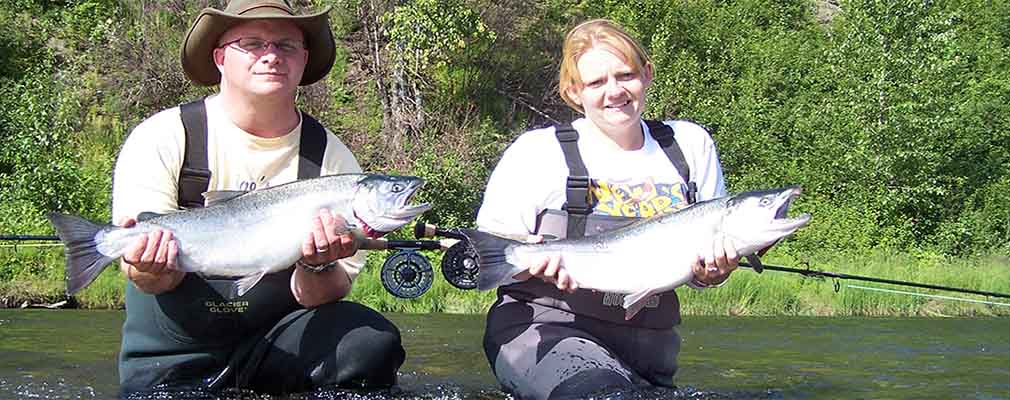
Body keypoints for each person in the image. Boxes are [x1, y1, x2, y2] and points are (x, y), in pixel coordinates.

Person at [108, 0, 404, 396]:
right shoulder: (163, 136)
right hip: (172, 358)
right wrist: (152, 264)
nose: (271, 56)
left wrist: (317, 266)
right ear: (219, 58)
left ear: (303, 60)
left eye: (285, 46)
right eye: (251, 43)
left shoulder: (333, 160)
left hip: (278, 350)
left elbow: (318, 296)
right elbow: (144, 278)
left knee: (372, 343)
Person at [475, 19, 741, 400]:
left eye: (626, 75)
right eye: (597, 83)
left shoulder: (690, 145)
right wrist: (534, 265)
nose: (614, 91)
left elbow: (700, 273)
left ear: (646, 75)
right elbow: (494, 251)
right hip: (544, 330)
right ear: (573, 91)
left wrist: (713, 274)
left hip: (650, 346)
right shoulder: (537, 152)